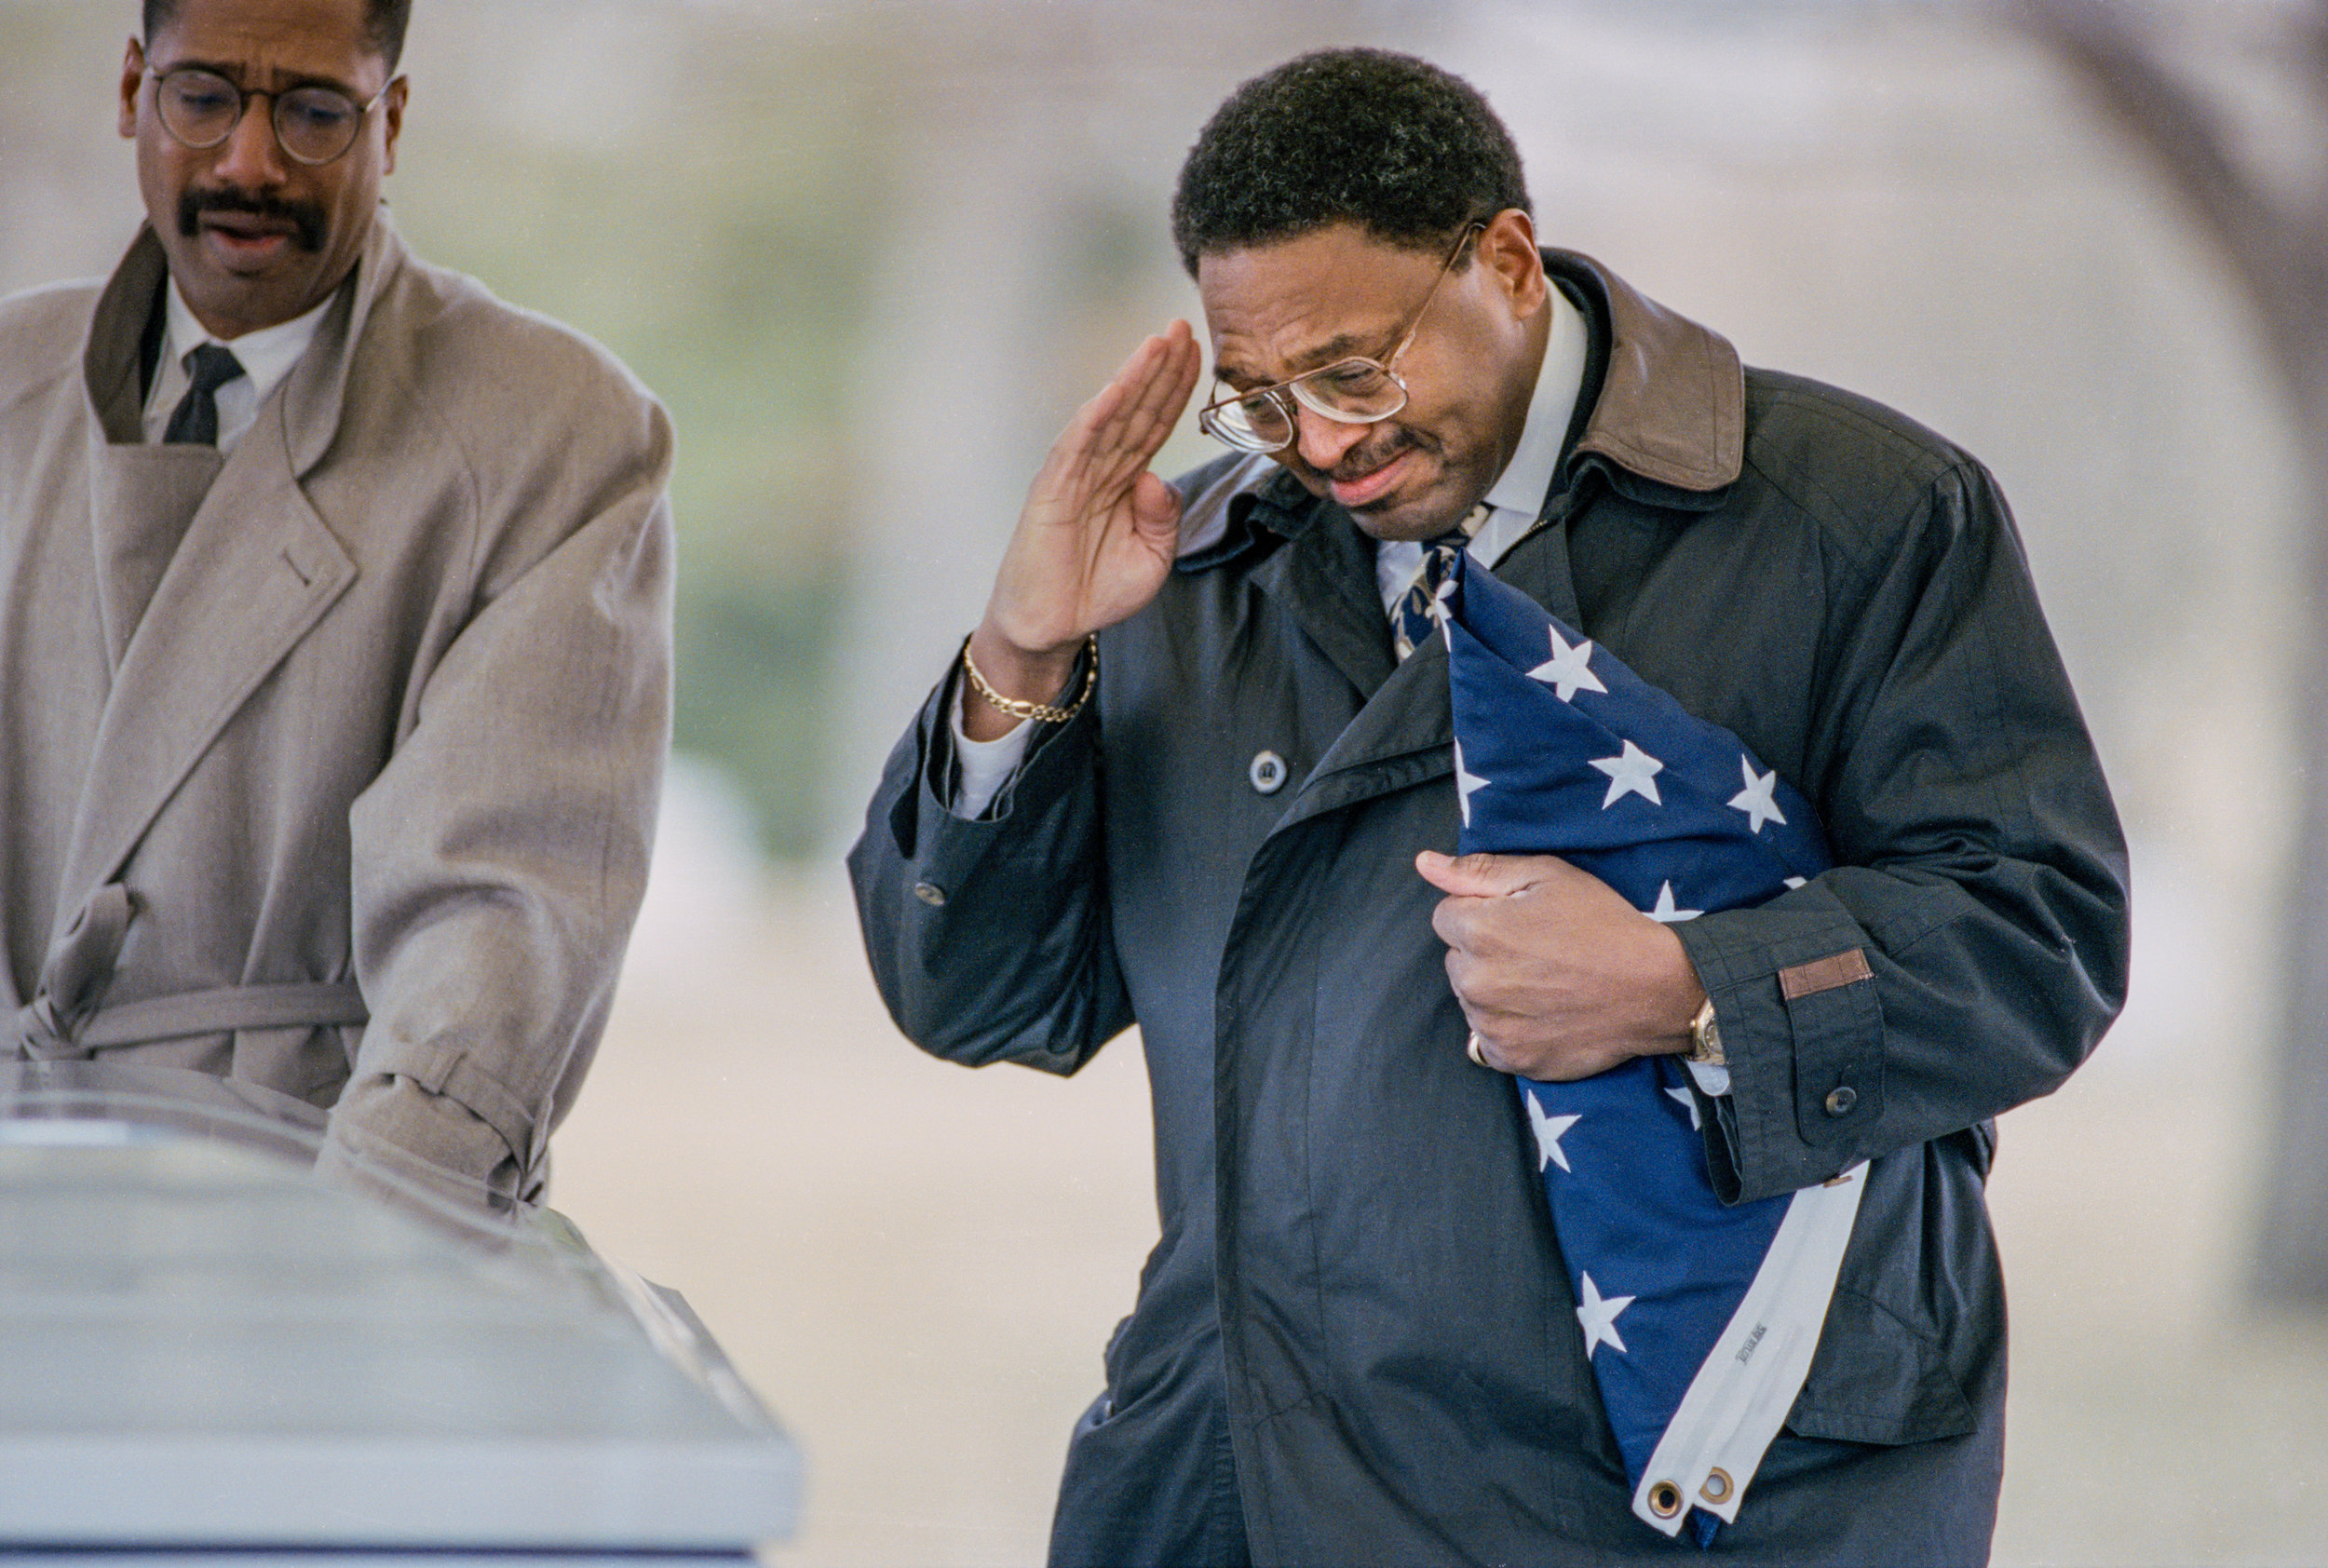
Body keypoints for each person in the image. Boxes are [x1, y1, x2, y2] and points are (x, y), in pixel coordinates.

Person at [848, 46, 2128, 1568]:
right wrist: (1023, 655)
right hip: (1251, 1471)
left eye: (1354, 371)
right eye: (1260, 399)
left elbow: (2042, 939)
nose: (1321, 445)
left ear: (1507, 263)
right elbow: (978, 998)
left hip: (1704, 1473)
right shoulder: (1179, 562)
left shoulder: (1862, 513)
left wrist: (1682, 987)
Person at [0, 0, 673, 1215]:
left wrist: (359, 1266)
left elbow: (501, 924)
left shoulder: (555, 436)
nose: (249, 163)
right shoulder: (10, 382)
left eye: (312, 112)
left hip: (294, 1225)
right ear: (128, 91)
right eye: (201, 97)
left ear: (392, 119)